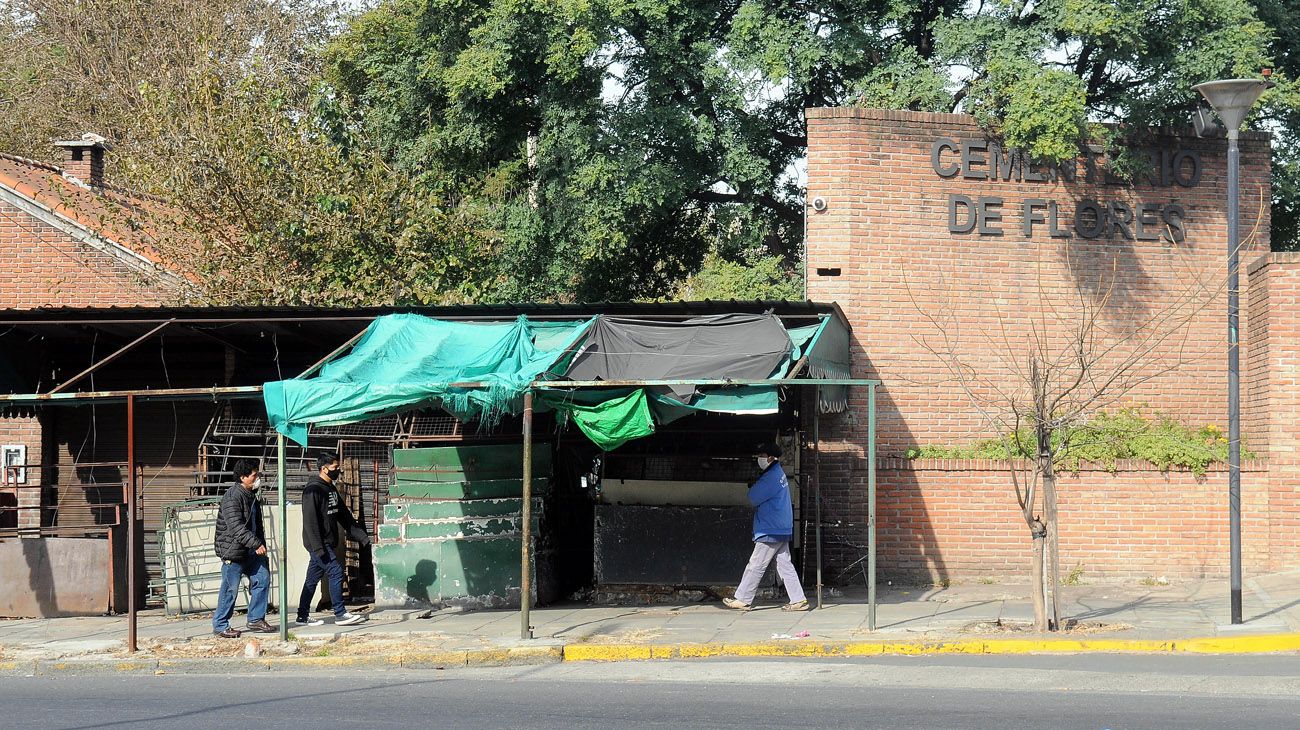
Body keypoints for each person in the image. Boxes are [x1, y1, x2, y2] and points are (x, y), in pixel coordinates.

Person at [723, 442, 809, 612]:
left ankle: (743, 598)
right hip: (781, 527)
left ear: (770, 457)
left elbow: (753, 497)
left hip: (770, 528)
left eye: (762, 455)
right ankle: (798, 599)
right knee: (785, 565)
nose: (759, 458)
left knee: (756, 564)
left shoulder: (769, 477)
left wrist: (753, 486)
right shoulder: (778, 473)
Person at [297, 453, 370, 626]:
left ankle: (302, 616)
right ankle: (340, 613)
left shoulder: (331, 489)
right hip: (318, 544)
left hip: (325, 543)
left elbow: (344, 516)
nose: (338, 470)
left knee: (312, 580)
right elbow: (310, 522)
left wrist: (363, 538)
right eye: (335, 468)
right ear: (324, 469)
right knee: (336, 571)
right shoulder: (312, 490)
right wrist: (318, 548)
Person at [212, 459, 276, 638]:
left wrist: (260, 545)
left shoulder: (251, 496)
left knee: (262, 580)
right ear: (243, 477)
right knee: (230, 589)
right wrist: (256, 544)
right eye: (254, 475)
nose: (257, 478)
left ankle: (256, 619)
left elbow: (257, 525)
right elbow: (236, 528)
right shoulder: (232, 497)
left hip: (251, 552)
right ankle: (220, 625)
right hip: (234, 552)